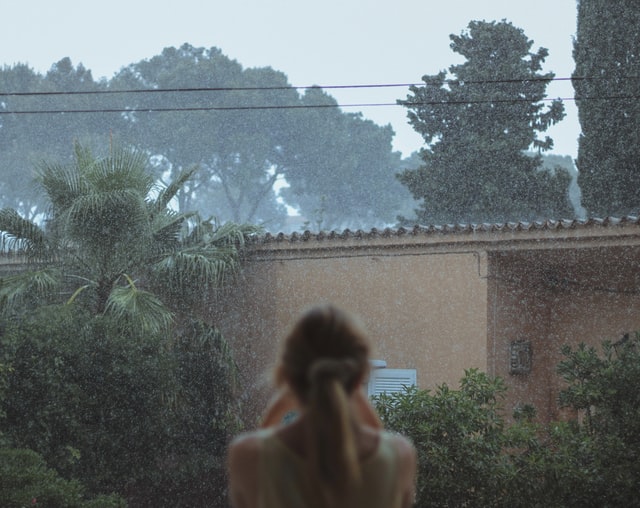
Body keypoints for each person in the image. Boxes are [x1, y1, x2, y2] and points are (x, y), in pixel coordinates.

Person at [228, 304, 416, 508]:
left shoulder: (247, 455)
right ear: (359, 378)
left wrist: (280, 403)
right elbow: (382, 447)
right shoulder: (400, 456)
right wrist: (355, 393)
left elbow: (262, 448)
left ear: (287, 377)